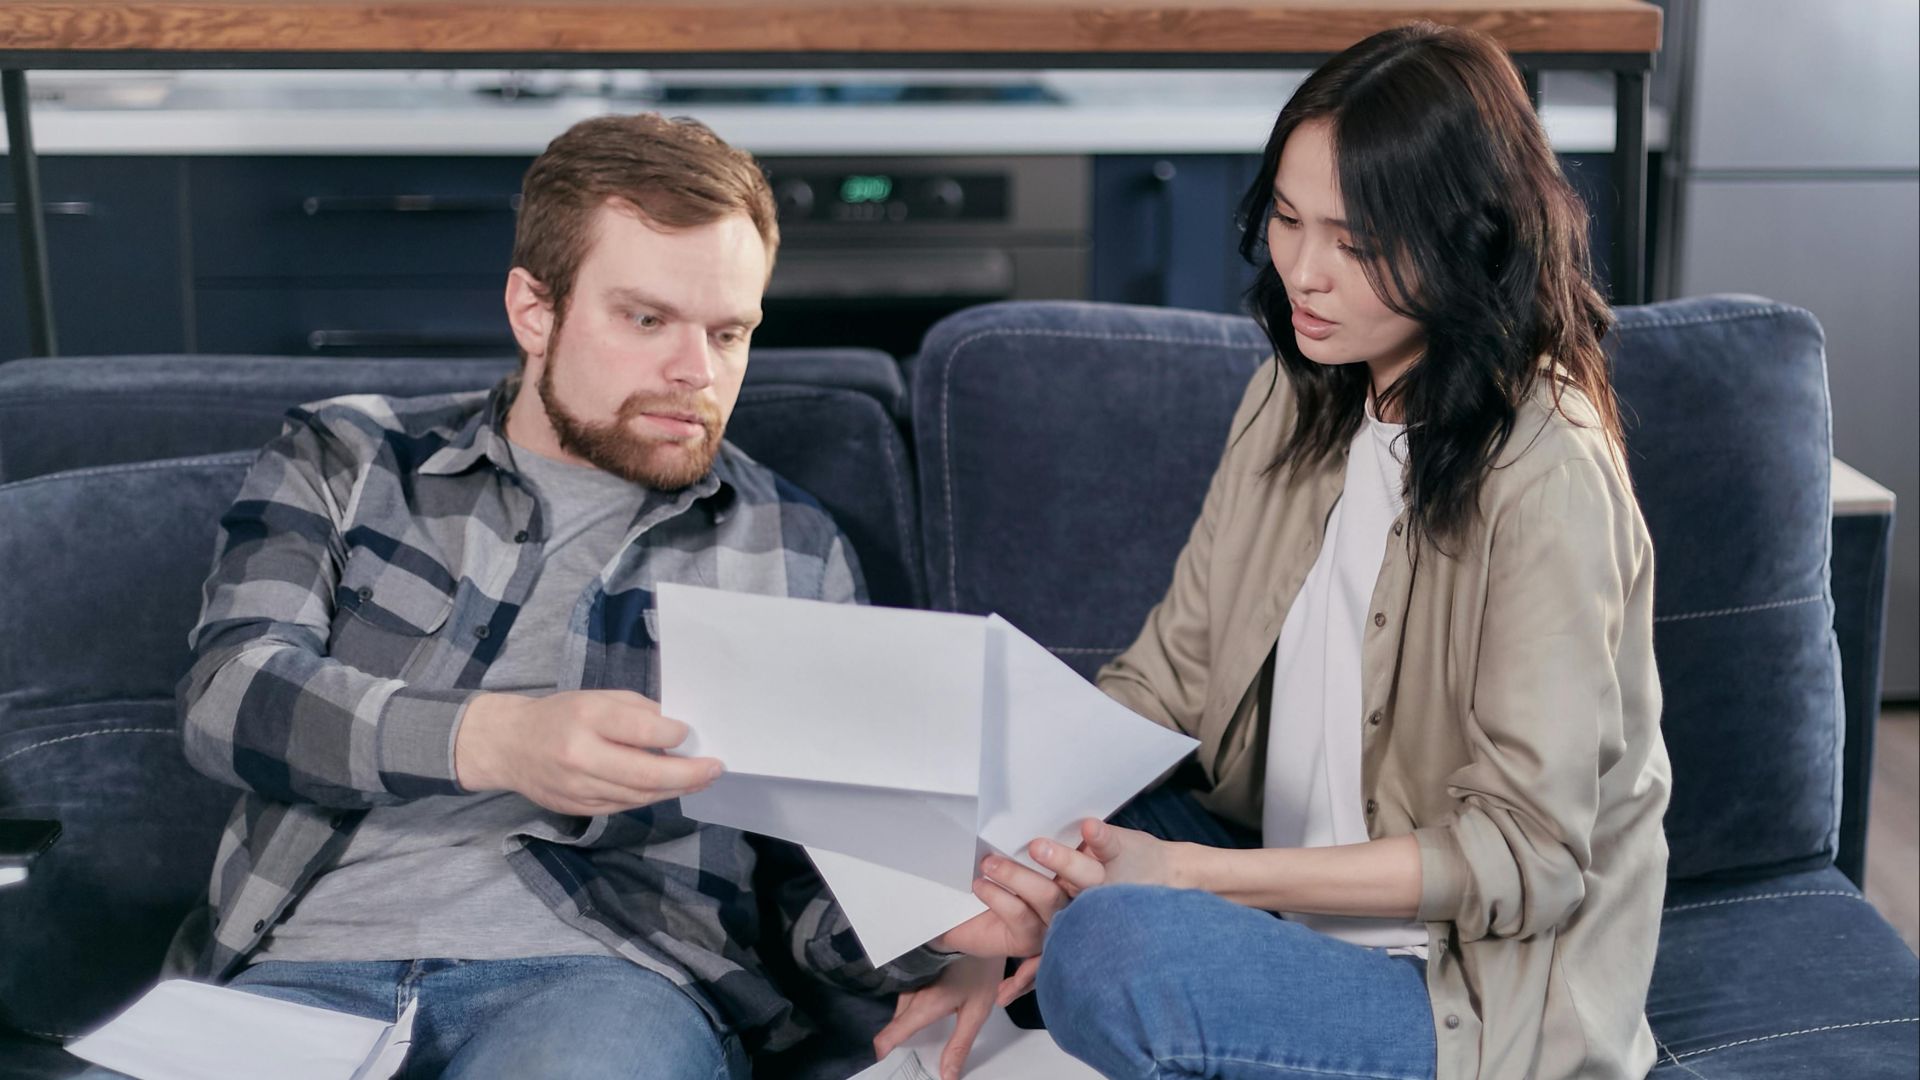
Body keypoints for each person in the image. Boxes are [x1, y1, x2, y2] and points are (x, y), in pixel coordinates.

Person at [119, 113, 1041, 1080]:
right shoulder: (350, 458)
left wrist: (935, 924)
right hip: (294, 975)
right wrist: (501, 740)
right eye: (647, 320)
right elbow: (230, 695)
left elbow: (811, 890)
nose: (697, 373)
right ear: (535, 310)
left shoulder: (790, 545)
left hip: (603, 983)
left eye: (729, 332)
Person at [895, 21, 1673, 1080]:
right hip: (1268, 891)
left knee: (1112, 951)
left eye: (1354, 242)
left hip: (1453, 986)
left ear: (1467, 238)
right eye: (1290, 220)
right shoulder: (1296, 389)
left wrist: (1188, 883)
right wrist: (1010, 888)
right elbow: (1164, 683)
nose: (1304, 271)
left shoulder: (1546, 476)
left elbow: (1526, 858)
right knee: (1001, 817)